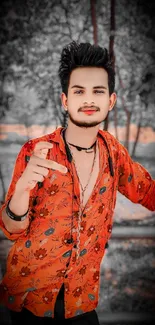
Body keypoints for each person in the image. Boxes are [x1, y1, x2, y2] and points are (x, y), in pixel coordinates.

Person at [0, 41, 155, 325]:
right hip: (29, 298)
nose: (88, 100)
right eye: (78, 91)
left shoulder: (114, 153)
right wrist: (22, 188)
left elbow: (148, 192)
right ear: (65, 100)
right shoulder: (36, 151)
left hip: (80, 300)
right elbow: (11, 230)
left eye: (98, 91)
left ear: (110, 100)